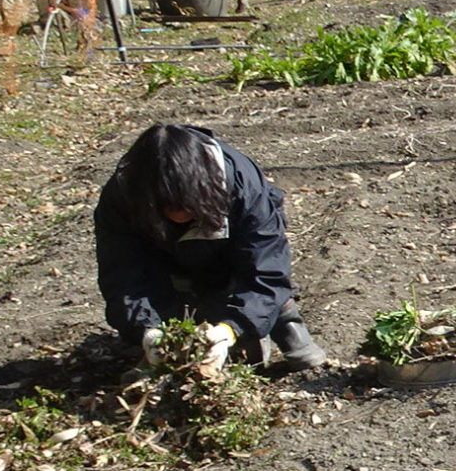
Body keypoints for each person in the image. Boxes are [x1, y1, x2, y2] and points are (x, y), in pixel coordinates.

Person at [94, 123, 328, 371]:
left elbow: (266, 271)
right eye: (167, 203)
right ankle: (175, 335)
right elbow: (122, 277)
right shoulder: (122, 197)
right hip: (165, 256)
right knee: (172, 305)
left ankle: (284, 320)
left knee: (257, 283)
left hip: (231, 251)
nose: (178, 212)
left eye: (185, 202)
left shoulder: (241, 186)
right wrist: (147, 331)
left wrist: (230, 329)